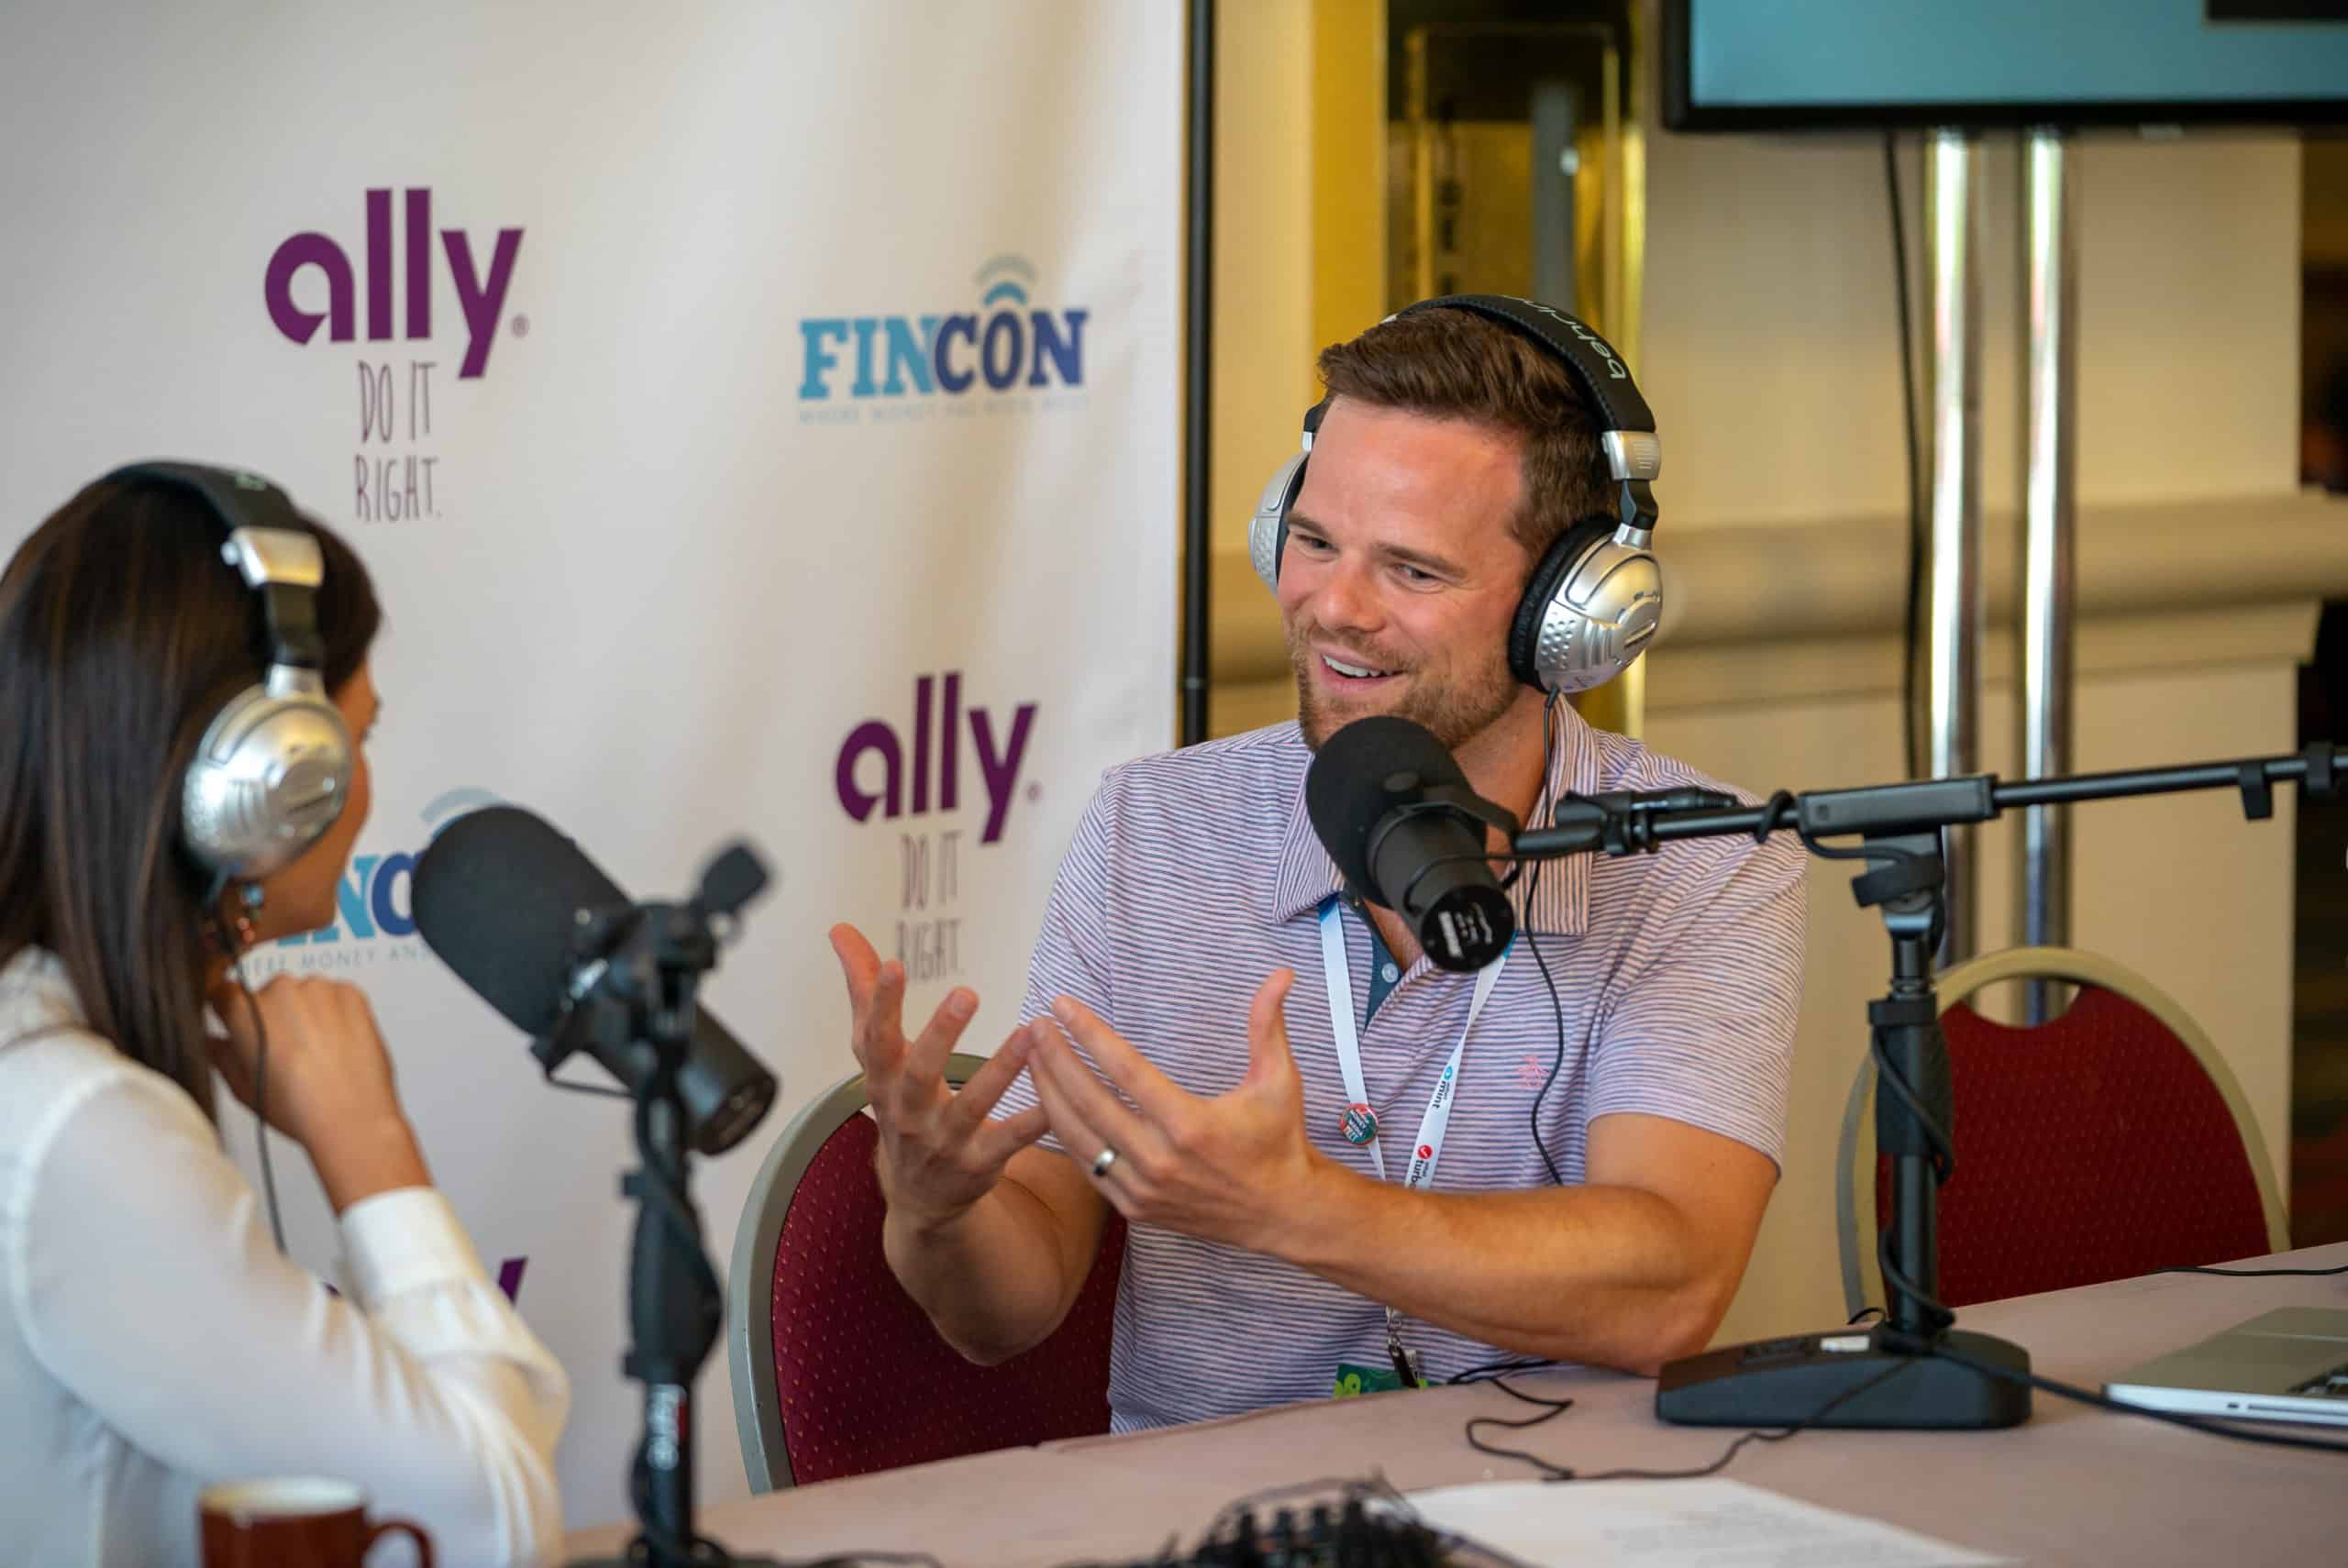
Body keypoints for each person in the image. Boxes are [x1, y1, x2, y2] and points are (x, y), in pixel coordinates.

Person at [831, 300, 1806, 1432]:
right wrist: (937, 1217)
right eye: (1314, 541)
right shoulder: (1152, 829)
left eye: (1413, 572)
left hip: (1565, 1523)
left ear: (1571, 614)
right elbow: (1014, 1305)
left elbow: (1672, 1284)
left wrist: (1293, 1210)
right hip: (1214, 1531)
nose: (1333, 610)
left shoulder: (1705, 858)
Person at [0, 465, 568, 1564]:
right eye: (351, 742)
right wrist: (375, 1155)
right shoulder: (78, 1127)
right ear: (261, 784)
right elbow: (488, 1529)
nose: (362, 789)